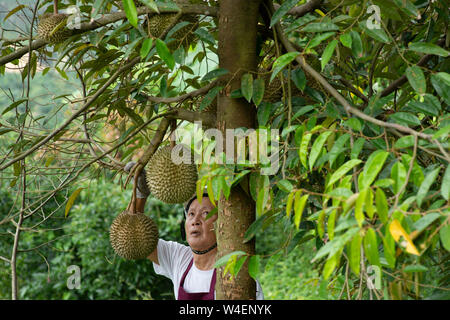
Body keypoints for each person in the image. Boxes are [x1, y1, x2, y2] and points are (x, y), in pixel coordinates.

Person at [124, 162, 264, 300]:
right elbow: (133, 238)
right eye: (191, 214)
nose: (195, 220)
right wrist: (140, 195)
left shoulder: (238, 275)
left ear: (221, 226)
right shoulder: (179, 258)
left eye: (205, 214)